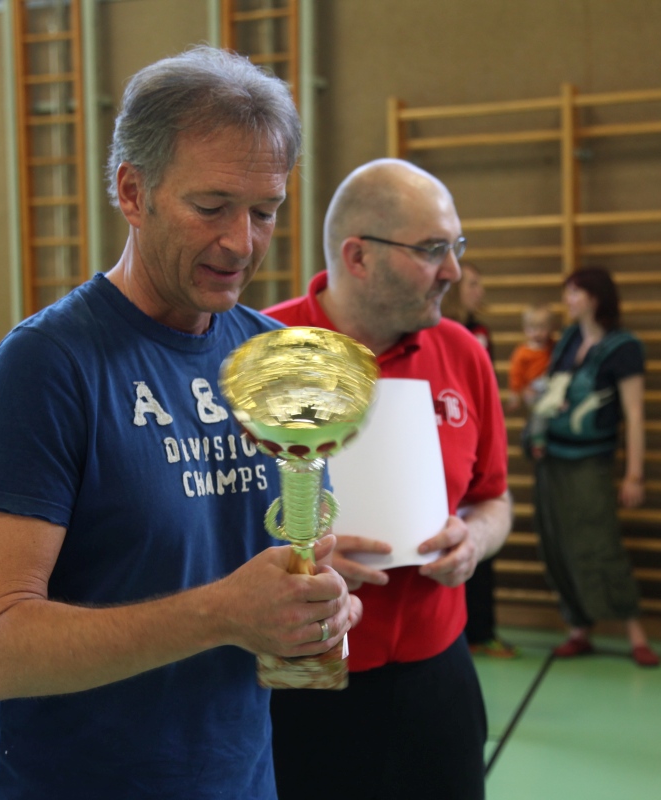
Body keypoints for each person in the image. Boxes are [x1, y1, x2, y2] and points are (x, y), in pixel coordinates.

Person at [0, 46, 360, 800]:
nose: (241, 242)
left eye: (264, 211)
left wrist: (321, 607)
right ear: (132, 192)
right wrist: (221, 614)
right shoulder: (45, 369)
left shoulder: (277, 361)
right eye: (211, 207)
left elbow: (286, 573)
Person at [264, 159, 513, 800]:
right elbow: (203, 523)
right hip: (304, 670)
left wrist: (474, 539)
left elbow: (493, 497)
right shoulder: (263, 348)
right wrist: (298, 557)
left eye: (456, 247)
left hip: (438, 669)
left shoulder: (463, 353)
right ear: (358, 256)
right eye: (432, 250)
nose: (452, 270)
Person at [529, 266, 660, 667]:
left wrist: (634, 475)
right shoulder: (569, 338)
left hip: (590, 462)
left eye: (574, 292)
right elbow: (553, 390)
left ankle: (635, 633)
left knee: (601, 544)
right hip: (552, 459)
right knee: (556, 544)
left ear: (596, 297)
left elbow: (634, 415)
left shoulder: (624, 347)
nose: (567, 300)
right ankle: (578, 628)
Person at [441, 259, 518, 659]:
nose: (479, 291)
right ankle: (465, 631)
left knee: (476, 541)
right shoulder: (432, 332)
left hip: (471, 448)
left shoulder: (478, 335)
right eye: (472, 283)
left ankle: (481, 630)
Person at [508, 303, 557, 412]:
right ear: (525, 329)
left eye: (542, 328)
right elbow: (516, 374)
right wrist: (514, 394)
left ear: (550, 328)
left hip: (550, 385)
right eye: (532, 329)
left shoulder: (553, 347)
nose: (537, 333)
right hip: (532, 389)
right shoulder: (522, 352)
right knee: (539, 411)